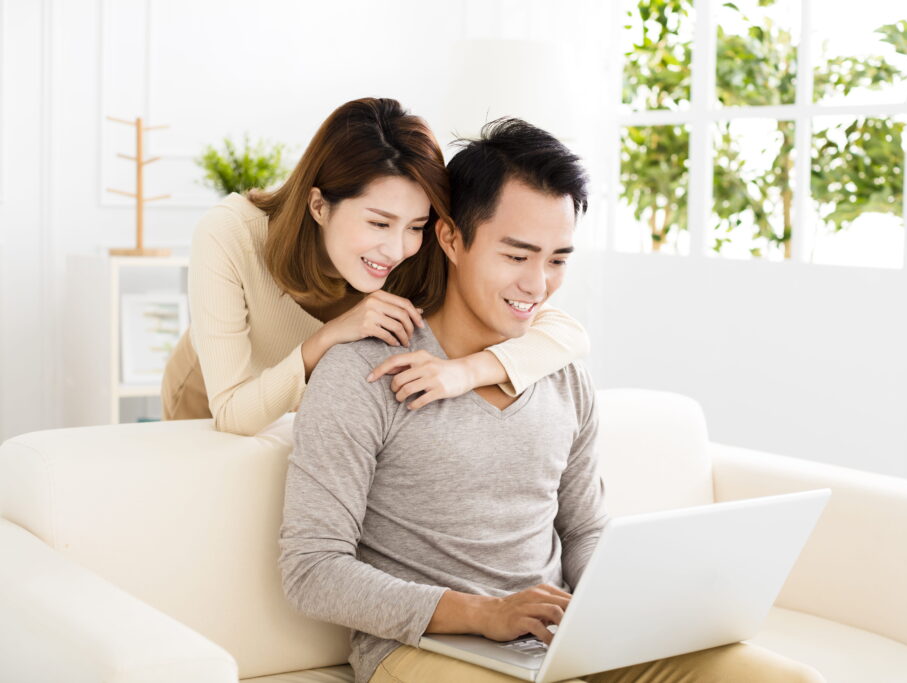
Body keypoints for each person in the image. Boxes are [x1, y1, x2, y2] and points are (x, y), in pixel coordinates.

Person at [279, 118, 824, 683]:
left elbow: (585, 528)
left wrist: (632, 607)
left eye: (558, 260)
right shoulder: (363, 370)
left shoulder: (562, 375)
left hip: (560, 640)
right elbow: (312, 570)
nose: (538, 285)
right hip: (425, 647)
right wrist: (484, 614)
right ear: (450, 239)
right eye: (516, 256)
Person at [160, 98, 589, 436]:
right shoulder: (232, 233)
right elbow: (232, 413)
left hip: (305, 414)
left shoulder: (417, 252)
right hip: (209, 399)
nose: (396, 248)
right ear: (319, 205)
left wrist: (467, 371)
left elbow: (564, 332)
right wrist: (329, 337)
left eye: (416, 225)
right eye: (379, 222)